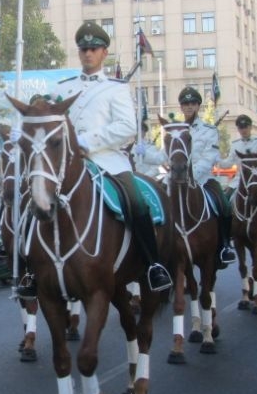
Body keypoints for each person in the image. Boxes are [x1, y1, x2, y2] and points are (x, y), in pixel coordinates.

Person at [18, 21, 172, 295]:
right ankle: (30, 270)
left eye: (93, 49)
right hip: (65, 164)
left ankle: (152, 265)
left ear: (104, 52)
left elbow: (126, 127)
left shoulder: (115, 88)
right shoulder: (62, 89)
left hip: (108, 161)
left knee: (136, 202)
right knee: (33, 202)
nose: (88, 53)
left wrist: (86, 142)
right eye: (83, 49)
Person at [174, 85, 237, 268]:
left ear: (198, 106)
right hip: (177, 178)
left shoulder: (209, 130)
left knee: (224, 205)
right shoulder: (175, 130)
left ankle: (225, 245)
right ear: (181, 107)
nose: (189, 107)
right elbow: (169, 155)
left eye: (192, 103)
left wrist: (190, 174)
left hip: (204, 179)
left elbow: (210, 157)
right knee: (158, 203)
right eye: (185, 103)